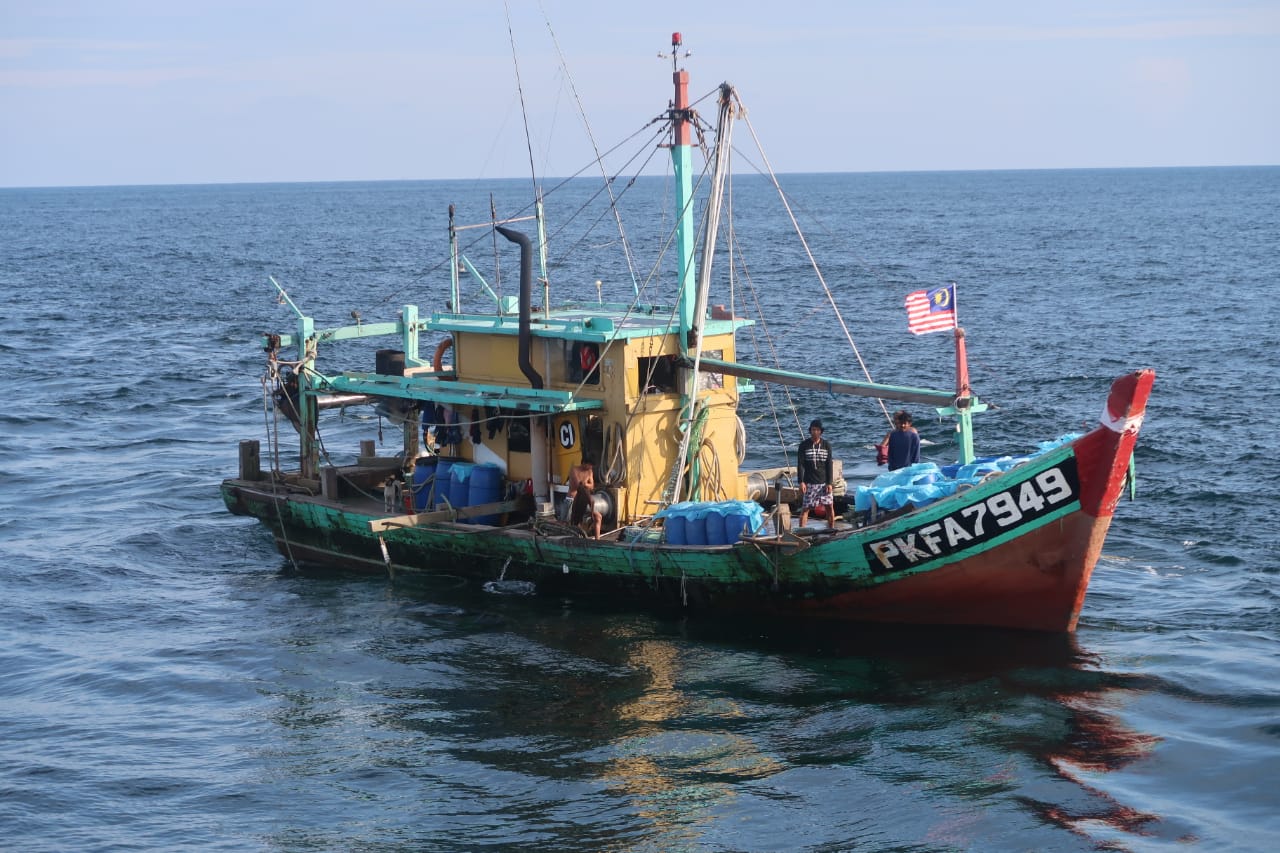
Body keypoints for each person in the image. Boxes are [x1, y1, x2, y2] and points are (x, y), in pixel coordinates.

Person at [797, 419, 835, 530]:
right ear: (810, 431)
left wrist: (829, 483)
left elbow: (829, 465)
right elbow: (800, 464)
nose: (815, 432)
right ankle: (802, 532)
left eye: (817, 430)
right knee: (805, 509)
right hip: (810, 483)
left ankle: (831, 530)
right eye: (813, 430)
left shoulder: (826, 445)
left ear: (821, 432)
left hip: (824, 483)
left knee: (829, 507)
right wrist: (801, 482)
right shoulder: (804, 445)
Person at [563, 455, 603, 539]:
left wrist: (585, 484)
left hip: (585, 499)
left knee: (598, 517)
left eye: (592, 465)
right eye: (589, 465)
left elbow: (592, 486)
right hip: (572, 499)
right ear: (584, 463)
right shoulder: (574, 470)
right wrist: (585, 484)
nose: (591, 467)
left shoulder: (590, 471)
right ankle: (567, 539)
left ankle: (597, 540)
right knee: (566, 522)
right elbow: (578, 485)